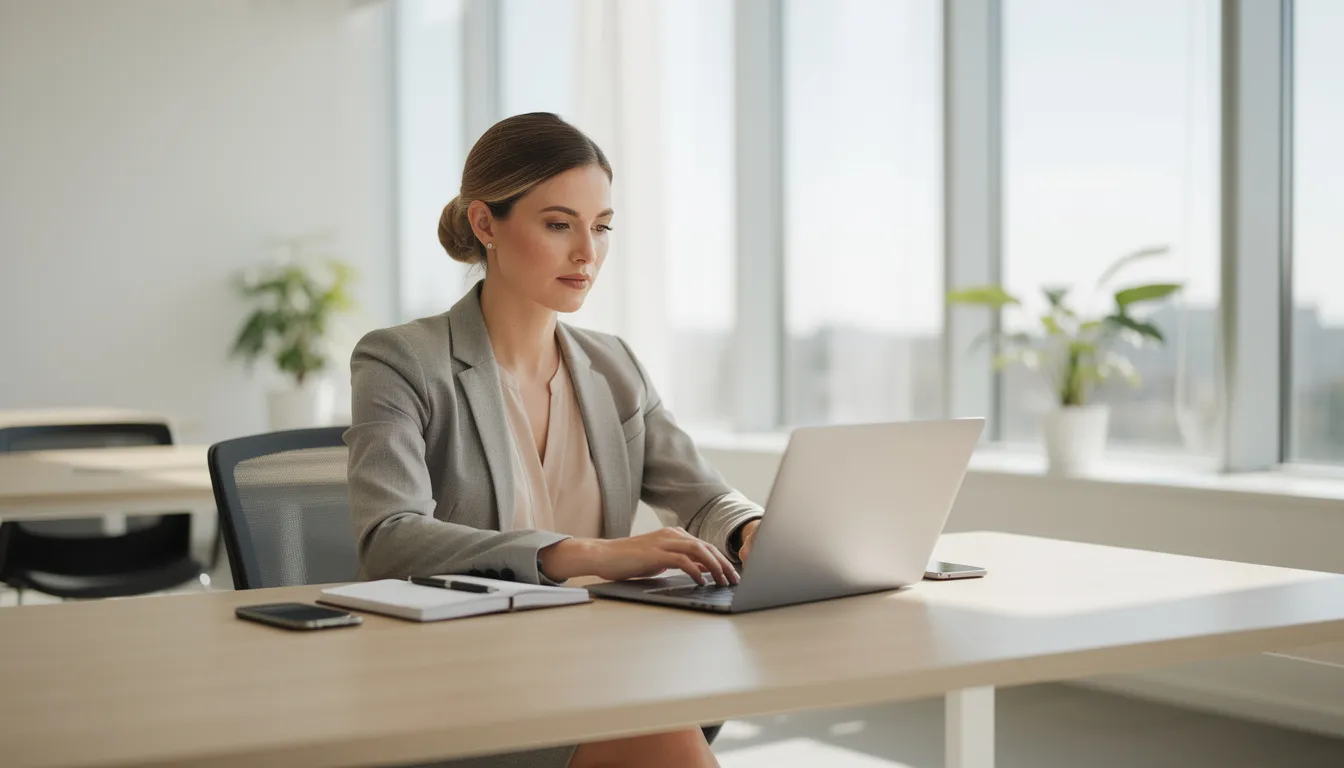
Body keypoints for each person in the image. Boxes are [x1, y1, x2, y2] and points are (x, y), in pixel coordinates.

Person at [345, 112, 764, 768]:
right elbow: (389, 538)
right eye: (558, 224)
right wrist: (585, 553)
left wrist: (749, 532)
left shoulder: (613, 365)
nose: (587, 254)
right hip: (463, 679)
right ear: (486, 224)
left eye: (601, 228)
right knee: (664, 734)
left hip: (599, 662)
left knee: (663, 712)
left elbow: (705, 497)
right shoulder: (402, 360)